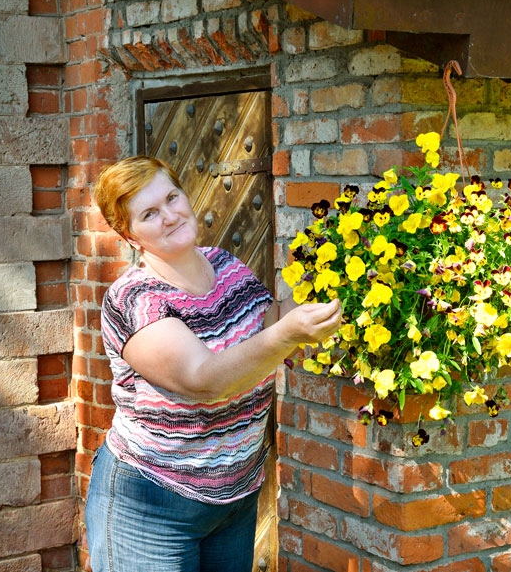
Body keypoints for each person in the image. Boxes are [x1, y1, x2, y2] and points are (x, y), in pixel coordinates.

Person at [85, 156, 342, 572]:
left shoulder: (225, 265)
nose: (170, 215)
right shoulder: (134, 298)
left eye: (172, 197)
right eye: (149, 214)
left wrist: (331, 277)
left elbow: (270, 322)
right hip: (152, 504)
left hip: (233, 499)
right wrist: (288, 334)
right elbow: (203, 379)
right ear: (129, 235)